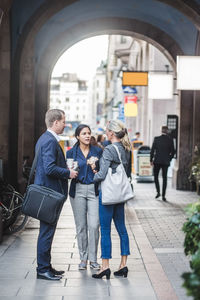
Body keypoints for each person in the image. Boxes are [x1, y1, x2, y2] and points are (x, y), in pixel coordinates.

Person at [34, 109, 78, 281]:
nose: (65, 124)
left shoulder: (45, 138)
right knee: (46, 231)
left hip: (48, 192)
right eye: (63, 121)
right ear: (55, 122)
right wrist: (69, 173)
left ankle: (46, 266)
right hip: (49, 193)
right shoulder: (50, 141)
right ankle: (43, 269)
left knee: (47, 231)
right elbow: (49, 168)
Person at [92, 120, 132, 280]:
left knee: (106, 230)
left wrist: (93, 171)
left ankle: (105, 266)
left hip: (108, 194)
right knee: (122, 229)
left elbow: (101, 175)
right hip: (120, 194)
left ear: (111, 133)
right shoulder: (126, 148)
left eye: (107, 130)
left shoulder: (109, 149)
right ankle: (123, 265)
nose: (106, 132)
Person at [66, 124, 103, 270]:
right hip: (78, 190)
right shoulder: (71, 153)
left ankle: (93, 259)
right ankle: (83, 258)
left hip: (94, 190)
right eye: (84, 133)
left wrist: (95, 168)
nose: (87, 136)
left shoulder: (98, 151)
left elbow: (102, 171)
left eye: (89, 133)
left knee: (94, 225)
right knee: (81, 226)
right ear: (77, 136)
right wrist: (70, 171)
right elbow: (67, 171)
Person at [150, 125, 175, 201]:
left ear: (161, 130)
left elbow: (152, 150)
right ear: (167, 131)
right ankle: (163, 195)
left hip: (157, 161)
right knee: (164, 178)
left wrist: (151, 160)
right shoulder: (170, 140)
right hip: (165, 162)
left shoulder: (156, 139)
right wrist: (169, 159)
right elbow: (173, 152)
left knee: (156, 177)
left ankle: (158, 192)